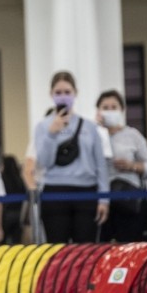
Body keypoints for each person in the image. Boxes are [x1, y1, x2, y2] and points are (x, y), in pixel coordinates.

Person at [34, 71, 109, 243]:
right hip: (55, 191)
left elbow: (100, 165)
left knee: (86, 250)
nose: (63, 97)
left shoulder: (90, 127)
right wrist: (52, 134)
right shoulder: (43, 126)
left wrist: (104, 199)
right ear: (51, 94)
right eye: (58, 93)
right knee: (58, 251)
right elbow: (43, 162)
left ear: (75, 93)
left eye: (67, 92)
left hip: (86, 191)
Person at [96, 89, 147, 242]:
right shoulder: (94, 135)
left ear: (122, 110)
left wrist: (132, 166)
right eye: (105, 107)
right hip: (101, 198)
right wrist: (98, 130)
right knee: (102, 246)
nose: (109, 111)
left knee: (130, 244)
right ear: (99, 111)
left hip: (128, 198)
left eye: (113, 107)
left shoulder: (133, 135)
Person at [0, 155, 27, 244]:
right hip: (18, 213)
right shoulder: (19, 179)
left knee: (3, 243)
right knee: (17, 242)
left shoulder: (2, 179)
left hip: (6, 214)